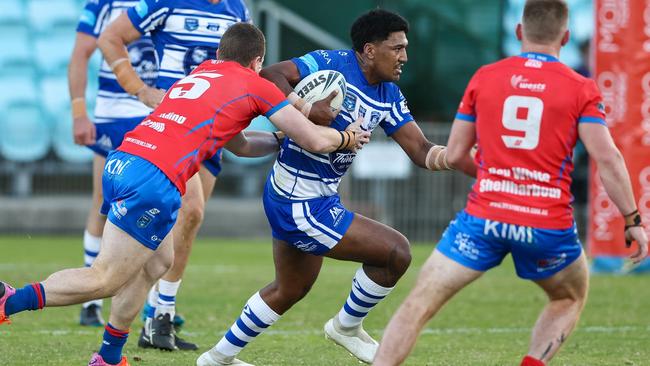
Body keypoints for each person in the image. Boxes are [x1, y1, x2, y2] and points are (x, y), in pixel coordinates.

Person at [0, 23, 370, 366]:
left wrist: (276, 139)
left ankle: (110, 356)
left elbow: (239, 146)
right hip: (153, 181)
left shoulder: (201, 73)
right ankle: (9, 300)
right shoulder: (255, 83)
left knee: (158, 262)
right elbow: (314, 138)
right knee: (105, 277)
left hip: (125, 160)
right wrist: (347, 137)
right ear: (257, 61)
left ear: (222, 52)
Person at [374, 1, 649, 365]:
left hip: (484, 218)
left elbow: (455, 154)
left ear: (520, 33)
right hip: (545, 223)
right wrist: (633, 220)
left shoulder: (485, 77)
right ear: (565, 37)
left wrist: (493, 176)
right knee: (568, 297)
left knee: (419, 302)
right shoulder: (581, 88)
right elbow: (608, 158)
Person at [197, 9, 458, 366]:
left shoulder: (390, 96)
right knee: (396, 252)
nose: (404, 57)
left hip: (311, 196)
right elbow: (271, 75)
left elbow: (421, 150)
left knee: (289, 289)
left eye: (405, 48)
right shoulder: (329, 63)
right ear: (369, 49)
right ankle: (346, 327)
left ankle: (217, 359)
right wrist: (304, 106)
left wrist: (459, 156)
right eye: (396, 48)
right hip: (299, 200)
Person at [97, 0, 258, 350]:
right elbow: (110, 37)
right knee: (192, 209)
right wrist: (139, 88)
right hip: (177, 129)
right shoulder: (164, 2)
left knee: (185, 227)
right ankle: (157, 316)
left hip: (216, 129)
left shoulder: (237, 9)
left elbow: (246, 66)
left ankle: (157, 315)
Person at [69, 0, 157, 328]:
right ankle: (91, 301)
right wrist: (79, 111)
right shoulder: (103, 4)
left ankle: (156, 306)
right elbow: (80, 54)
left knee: (164, 209)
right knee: (102, 206)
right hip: (114, 114)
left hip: (158, 113)